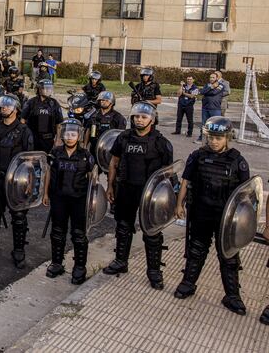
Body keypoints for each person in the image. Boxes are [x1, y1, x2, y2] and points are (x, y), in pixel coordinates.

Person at [174, 117, 250, 315]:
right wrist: (179, 203)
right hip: (201, 212)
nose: (214, 141)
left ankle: (232, 296)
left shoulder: (237, 161)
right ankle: (188, 283)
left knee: (228, 255)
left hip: (226, 218)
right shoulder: (198, 156)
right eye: (211, 137)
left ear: (227, 138)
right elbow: (185, 180)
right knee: (196, 250)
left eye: (218, 138)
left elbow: (247, 194)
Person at [103, 102, 173, 289]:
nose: (139, 120)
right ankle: (120, 261)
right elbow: (113, 163)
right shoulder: (124, 138)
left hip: (150, 193)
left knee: (152, 232)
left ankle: (154, 272)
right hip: (126, 188)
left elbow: (169, 174)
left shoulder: (161, 143)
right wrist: (110, 186)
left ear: (152, 119)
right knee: (123, 227)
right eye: (136, 116)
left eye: (143, 117)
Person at [0, 94, 34, 266]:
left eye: (8, 106)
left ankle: (18, 251)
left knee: (18, 216)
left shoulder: (24, 131)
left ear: (16, 109)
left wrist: (29, 183)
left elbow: (30, 159)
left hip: (17, 180)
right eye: (3, 105)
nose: (4, 108)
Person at [43, 119, 96, 284]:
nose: (70, 137)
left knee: (79, 234)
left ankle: (79, 267)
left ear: (79, 135)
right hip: (59, 198)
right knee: (57, 232)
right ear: (62, 135)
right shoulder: (55, 152)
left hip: (79, 200)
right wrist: (45, 193)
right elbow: (49, 173)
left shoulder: (86, 156)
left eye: (73, 134)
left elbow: (93, 179)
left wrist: (92, 201)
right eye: (67, 134)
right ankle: (57, 263)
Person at [21, 79, 64, 153]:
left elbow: (59, 123)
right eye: (46, 88)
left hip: (48, 139)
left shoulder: (54, 103)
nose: (48, 90)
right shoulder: (31, 102)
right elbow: (22, 120)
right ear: (39, 89)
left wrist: (58, 139)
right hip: (32, 138)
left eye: (50, 88)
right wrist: (25, 136)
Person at [197, 72, 226, 142]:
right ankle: (202, 138)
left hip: (215, 108)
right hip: (205, 107)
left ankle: (216, 139)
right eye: (210, 77)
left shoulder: (221, 85)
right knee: (204, 124)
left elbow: (214, 93)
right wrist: (211, 87)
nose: (211, 79)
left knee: (215, 124)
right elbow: (201, 92)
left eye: (213, 77)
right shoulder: (207, 85)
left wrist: (206, 91)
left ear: (217, 78)